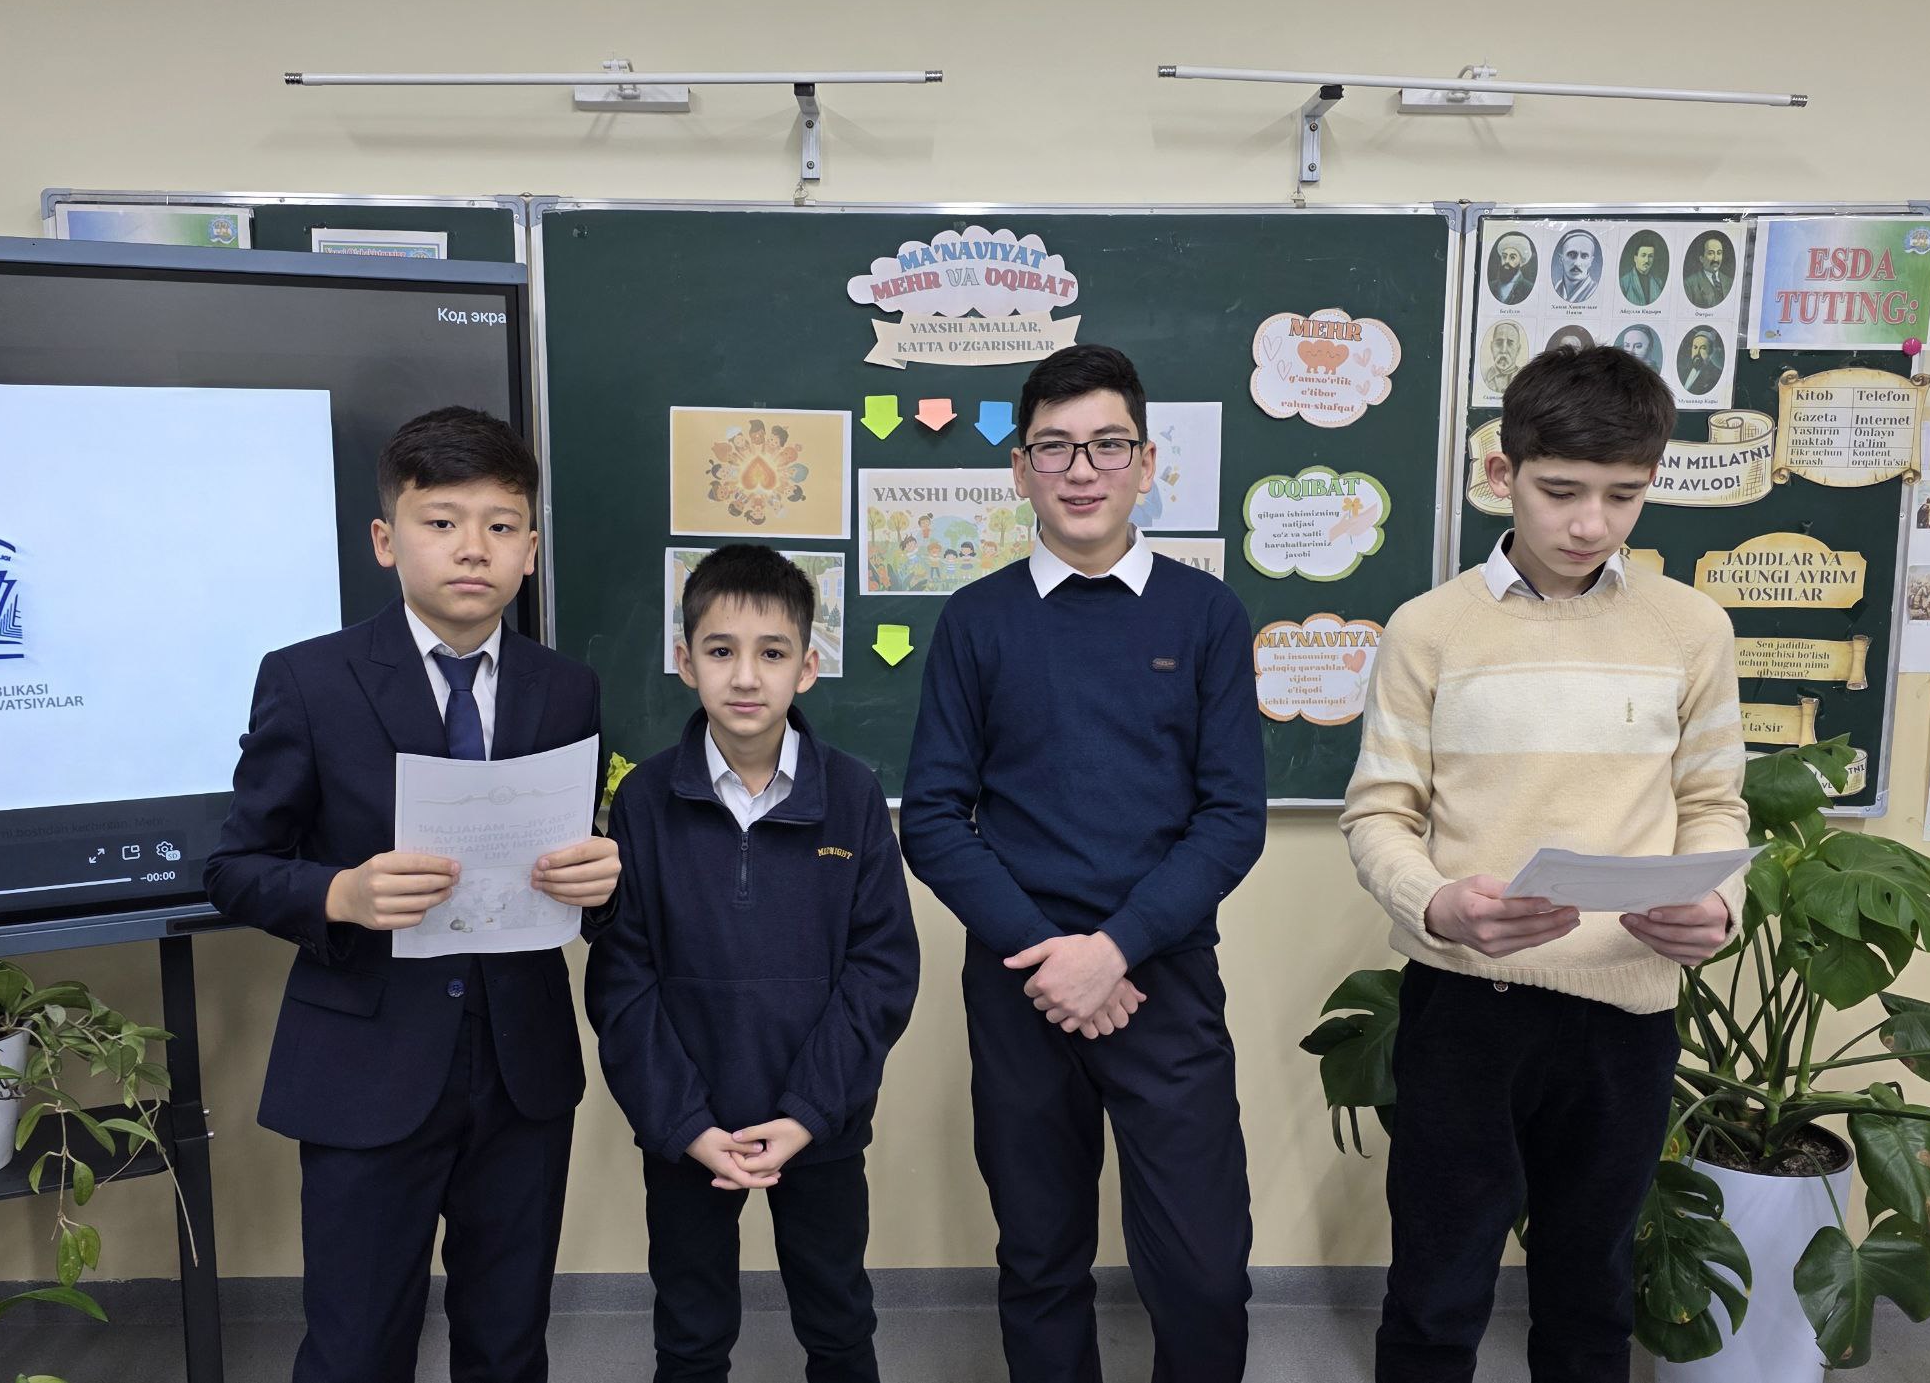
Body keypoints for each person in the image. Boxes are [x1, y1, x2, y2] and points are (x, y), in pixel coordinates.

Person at [1340, 343, 1748, 1383]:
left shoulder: (1691, 628)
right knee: (1437, 1285)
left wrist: (1717, 903)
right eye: (1560, 491)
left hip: (1627, 1010)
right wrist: (1437, 903)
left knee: (1591, 1287)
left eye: (1623, 495)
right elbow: (1379, 812)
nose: (1590, 524)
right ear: (1502, 472)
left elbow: (1713, 804)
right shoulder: (1429, 629)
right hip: (1465, 1007)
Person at [205, 406, 623, 1383]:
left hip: (520, 1067)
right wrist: (341, 893)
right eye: (442, 522)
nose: (473, 547)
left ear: (529, 549)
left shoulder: (566, 688)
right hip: (365, 1061)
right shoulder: (310, 680)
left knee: (508, 1343)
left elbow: (580, 870)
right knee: (355, 1350)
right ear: (386, 540)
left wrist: (604, 882)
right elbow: (234, 867)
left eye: (501, 524)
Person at [901, 343, 1266, 1383]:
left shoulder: (1205, 615)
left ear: (1146, 464)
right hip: (1020, 984)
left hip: (1164, 977)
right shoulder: (976, 620)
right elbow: (932, 817)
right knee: (1039, 1255)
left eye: (1107, 445)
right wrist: (1049, 954)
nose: (1080, 469)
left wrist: (1113, 950)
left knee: (1203, 1271)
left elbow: (1232, 817)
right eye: (1053, 447)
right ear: (1019, 469)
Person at [587, 543, 920, 1383]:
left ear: (807, 666)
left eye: (772, 653)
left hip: (819, 1119)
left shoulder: (852, 795)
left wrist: (809, 1111)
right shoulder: (643, 802)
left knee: (839, 1320)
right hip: (688, 1129)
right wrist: (685, 1123)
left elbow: (881, 972)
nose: (745, 676)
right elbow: (623, 982)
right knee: (691, 1332)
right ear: (684, 660)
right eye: (720, 650)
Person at [1684, 233, 1735, 308]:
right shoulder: (1689, 284)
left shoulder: (1730, 282)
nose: (1716, 259)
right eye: (1711, 253)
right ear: (1702, 258)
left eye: (1719, 253)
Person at [1552, 230, 1602, 304]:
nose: (1577, 263)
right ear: (1561, 259)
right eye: (1571, 255)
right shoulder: (1556, 289)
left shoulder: (1596, 291)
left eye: (1584, 256)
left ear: (1590, 261)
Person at [1619, 233, 1668, 306]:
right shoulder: (1624, 282)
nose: (1647, 260)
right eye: (1643, 255)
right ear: (1635, 258)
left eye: (1650, 256)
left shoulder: (1658, 282)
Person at [1487, 232, 1536, 305]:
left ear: (1521, 262)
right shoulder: (1491, 286)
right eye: (1504, 257)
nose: (1506, 261)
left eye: (1512, 257)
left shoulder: (1528, 288)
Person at [1481, 320, 1527, 395]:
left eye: (1510, 343)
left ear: (1518, 349)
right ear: (1491, 347)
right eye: (1499, 342)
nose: (1503, 350)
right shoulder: (1485, 375)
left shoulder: (1525, 378)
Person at [1678, 327, 1723, 394]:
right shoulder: (1683, 371)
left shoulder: (1716, 375)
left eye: (1703, 348)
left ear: (1710, 351)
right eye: (1695, 347)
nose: (1697, 352)